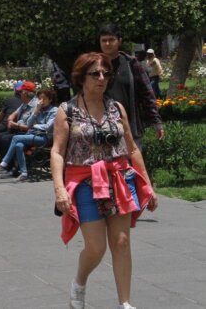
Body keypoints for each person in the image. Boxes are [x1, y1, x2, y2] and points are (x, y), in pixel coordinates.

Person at [51, 52, 158, 309]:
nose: (102, 78)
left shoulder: (116, 108)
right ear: (81, 77)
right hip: (86, 181)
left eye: (106, 73)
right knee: (96, 247)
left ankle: (125, 302)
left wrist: (148, 185)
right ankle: (80, 281)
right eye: (95, 74)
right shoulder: (67, 110)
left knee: (121, 242)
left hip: (119, 178)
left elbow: (131, 149)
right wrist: (59, 190)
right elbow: (56, 151)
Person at [98, 24, 163, 149]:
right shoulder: (94, 66)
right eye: (103, 40)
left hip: (131, 129)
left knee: (135, 166)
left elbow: (147, 94)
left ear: (119, 41)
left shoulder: (131, 64)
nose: (107, 44)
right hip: (102, 130)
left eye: (111, 40)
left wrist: (156, 121)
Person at [0, 88, 58, 182]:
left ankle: (4, 163)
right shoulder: (39, 109)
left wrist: (35, 126)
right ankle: (24, 173)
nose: (41, 101)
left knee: (16, 137)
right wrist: (35, 111)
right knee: (18, 145)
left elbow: (47, 127)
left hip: (45, 138)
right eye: (40, 99)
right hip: (34, 135)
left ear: (50, 99)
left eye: (44, 99)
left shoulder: (54, 111)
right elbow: (29, 124)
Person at [0, 81, 38, 161]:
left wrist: (15, 125)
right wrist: (10, 119)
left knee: (5, 139)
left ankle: (8, 165)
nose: (19, 94)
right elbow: (14, 113)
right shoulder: (25, 103)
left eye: (21, 92)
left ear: (25, 93)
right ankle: (0, 160)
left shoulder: (35, 106)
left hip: (27, 133)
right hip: (17, 130)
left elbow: (29, 127)